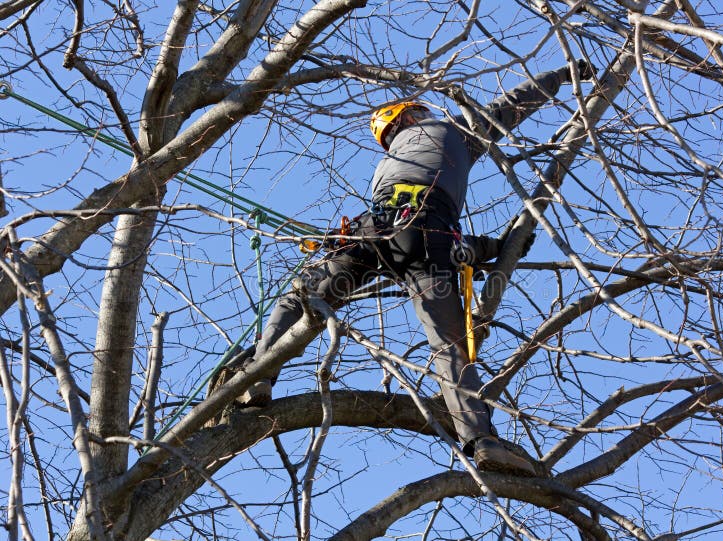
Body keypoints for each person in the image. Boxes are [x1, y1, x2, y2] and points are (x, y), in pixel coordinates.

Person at [234, 60, 595, 476]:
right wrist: (563, 74)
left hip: (371, 239)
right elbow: (516, 103)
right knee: (449, 348)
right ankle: (482, 442)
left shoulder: (386, 168)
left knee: (301, 296)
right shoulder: (453, 133)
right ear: (406, 117)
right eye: (419, 112)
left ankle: (259, 375)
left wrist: (491, 246)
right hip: (429, 243)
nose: (426, 116)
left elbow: (420, 235)